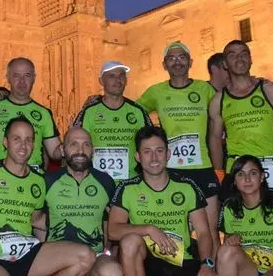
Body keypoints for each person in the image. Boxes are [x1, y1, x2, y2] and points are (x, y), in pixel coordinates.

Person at [0, 117, 95, 276]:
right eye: (17, 139)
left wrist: (76, 219)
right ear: (5, 142)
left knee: (86, 257)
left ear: (33, 145)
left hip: (28, 253)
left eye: (28, 140)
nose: (23, 145)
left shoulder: (39, 180)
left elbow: (36, 219)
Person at [138, 42, 219, 242]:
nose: (177, 62)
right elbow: (132, 112)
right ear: (164, 65)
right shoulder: (156, 92)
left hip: (202, 167)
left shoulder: (205, 89)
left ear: (190, 62)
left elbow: (224, 109)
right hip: (171, 168)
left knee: (210, 230)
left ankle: (212, 262)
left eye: (182, 57)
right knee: (176, 229)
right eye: (171, 58)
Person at [108, 126, 215, 276]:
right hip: (146, 262)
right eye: (147, 152)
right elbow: (113, 231)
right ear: (138, 157)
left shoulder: (187, 186)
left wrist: (206, 265)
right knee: (130, 242)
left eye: (159, 151)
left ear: (168, 154)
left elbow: (203, 233)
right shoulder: (127, 188)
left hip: (182, 261)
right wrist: (149, 229)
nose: (154, 158)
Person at [209, 40, 273, 193]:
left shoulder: (271, 90)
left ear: (250, 59)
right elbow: (215, 138)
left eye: (244, 54)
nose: (239, 58)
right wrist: (219, 173)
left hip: (271, 167)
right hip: (236, 170)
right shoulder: (218, 100)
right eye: (232, 55)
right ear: (225, 64)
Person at [43, 127, 119, 276]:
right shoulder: (47, 181)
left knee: (112, 271)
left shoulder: (106, 182)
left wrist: (108, 250)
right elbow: (37, 220)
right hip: (56, 256)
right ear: (62, 150)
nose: (80, 150)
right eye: (73, 144)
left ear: (93, 151)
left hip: (95, 255)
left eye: (86, 145)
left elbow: (110, 221)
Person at [217, 155, 273, 276]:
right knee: (226, 251)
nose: (247, 179)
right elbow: (228, 241)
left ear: (262, 177)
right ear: (234, 181)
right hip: (250, 268)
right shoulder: (230, 207)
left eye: (253, 173)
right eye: (241, 174)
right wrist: (232, 239)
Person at [74, 61, 152, 183]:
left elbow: (151, 142)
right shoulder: (89, 111)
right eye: (112, 76)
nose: (118, 80)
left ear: (126, 80)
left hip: (131, 182)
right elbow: (74, 141)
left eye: (122, 76)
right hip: (96, 181)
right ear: (101, 81)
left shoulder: (138, 111)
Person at [0, 58, 62, 170]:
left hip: (34, 176)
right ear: (8, 78)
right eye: (16, 76)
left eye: (27, 75)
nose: (22, 81)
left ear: (34, 78)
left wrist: (72, 141)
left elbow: (54, 152)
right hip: (0, 176)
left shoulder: (43, 113)